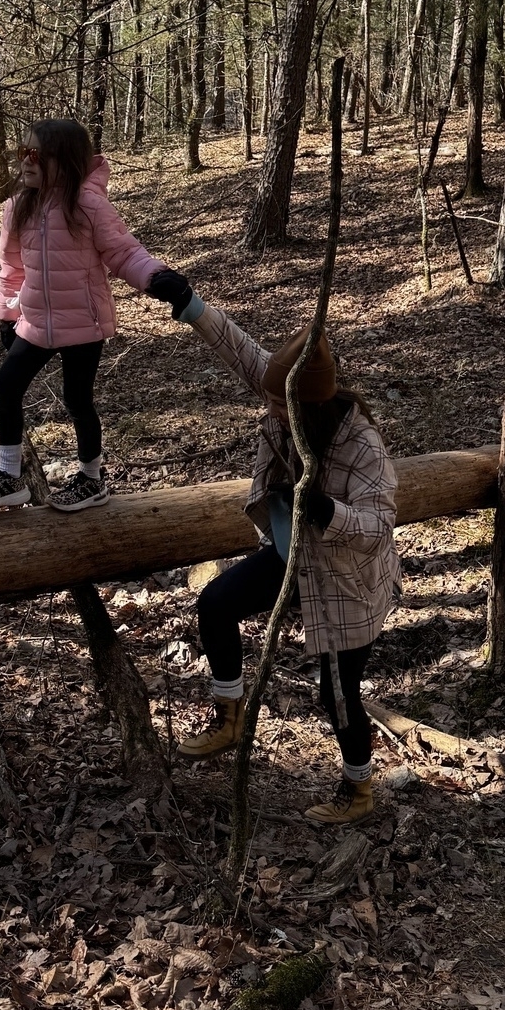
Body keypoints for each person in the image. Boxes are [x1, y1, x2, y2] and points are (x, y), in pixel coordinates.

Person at [144, 275, 400, 826]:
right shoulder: (286, 391)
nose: (269, 410)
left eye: (279, 407)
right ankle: (230, 714)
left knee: (336, 695)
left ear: (306, 406)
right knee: (215, 604)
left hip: (344, 578)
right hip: (292, 557)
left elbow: (379, 522)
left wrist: (329, 512)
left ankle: (358, 791)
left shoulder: (360, 444)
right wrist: (188, 303)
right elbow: (238, 348)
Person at [0, 118, 188, 513]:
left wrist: (157, 278)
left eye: (35, 154)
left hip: (83, 323)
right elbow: (11, 268)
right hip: (34, 323)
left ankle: (91, 478)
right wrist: (7, 314)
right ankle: (9, 475)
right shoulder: (17, 209)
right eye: (23, 152)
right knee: (6, 386)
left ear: (64, 160)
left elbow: (123, 253)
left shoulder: (88, 206)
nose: (25, 162)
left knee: (77, 400)